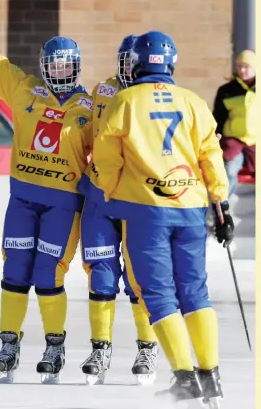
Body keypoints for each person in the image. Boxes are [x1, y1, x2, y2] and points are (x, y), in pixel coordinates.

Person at [0, 5, 92, 384]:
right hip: (23, 199)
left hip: (63, 203)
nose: (59, 72)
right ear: (44, 67)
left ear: (76, 67)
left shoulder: (90, 108)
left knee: (48, 272)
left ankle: (54, 345)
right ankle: (9, 344)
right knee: (14, 269)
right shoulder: (25, 89)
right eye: (53, 66)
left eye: (65, 66)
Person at [92, 31, 233, 407]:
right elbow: (211, 153)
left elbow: (106, 156)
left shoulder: (124, 101)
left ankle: (185, 377)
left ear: (136, 62)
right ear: (171, 63)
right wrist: (221, 202)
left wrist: (112, 189)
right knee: (195, 291)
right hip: (191, 206)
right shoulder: (193, 101)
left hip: (145, 208)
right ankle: (211, 375)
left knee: (158, 293)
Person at [77, 35, 158, 386]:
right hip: (99, 193)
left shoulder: (156, 95)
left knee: (140, 277)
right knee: (101, 273)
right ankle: (101, 347)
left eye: (134, 60)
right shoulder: (103, 90)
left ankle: (146, 347)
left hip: (138, 197)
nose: (128, 67)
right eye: (124, 59)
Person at [212, 49, 256, 198]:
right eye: (240, 66)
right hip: (234, 140)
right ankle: (222, 210)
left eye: (247, 66)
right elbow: (219, 115)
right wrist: (216, 133)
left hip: (257, 141)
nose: (242, 70)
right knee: (229, 171)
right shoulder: (227, 90)